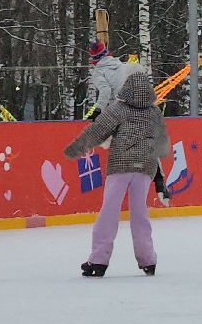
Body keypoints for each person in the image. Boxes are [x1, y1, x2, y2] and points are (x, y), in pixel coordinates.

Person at [64, 67, 170, 277]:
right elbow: (161, 146)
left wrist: (74, 149)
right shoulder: (154, 112)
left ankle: (98, 260)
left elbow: (97, 131)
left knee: (109, 212)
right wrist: (160, 181)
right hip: (145, 166)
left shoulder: (118, 109)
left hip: (120, 165)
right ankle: (148, 260)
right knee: (140, 214)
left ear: (126, 85)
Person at [87, 38, 172, 206]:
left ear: (94, 60)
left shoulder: (98, 73)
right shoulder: (123, 66)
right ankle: (159, 181)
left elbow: (105, 92)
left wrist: (97, 111)